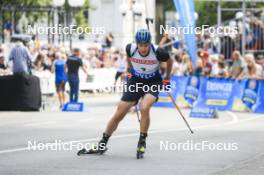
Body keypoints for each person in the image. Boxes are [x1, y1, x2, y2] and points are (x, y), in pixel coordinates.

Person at [77, 29, 173, 159]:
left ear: (149, 44)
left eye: (146, 45)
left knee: (144, 107)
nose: (143, 48)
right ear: (137, 44)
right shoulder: (130, 48)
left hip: (152, 82)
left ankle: (142, 140)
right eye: (141, 45)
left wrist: (167, 78)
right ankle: (102, 144)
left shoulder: (158, 51)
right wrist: (129, 70)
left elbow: (170, 61)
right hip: (136, 80)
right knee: (119, 113)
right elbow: (129, 58)